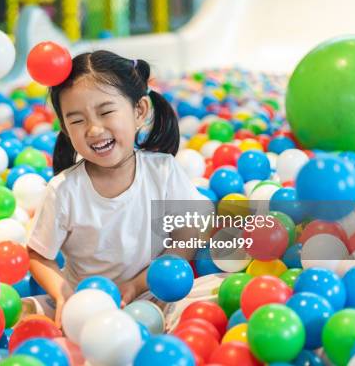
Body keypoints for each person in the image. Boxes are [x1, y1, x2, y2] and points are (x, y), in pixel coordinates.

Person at [26, 50, 224, 329]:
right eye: (77, 120)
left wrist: (137, 284)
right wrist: (62, 294)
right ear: (66, 129)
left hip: (154, 295)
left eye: (106, 112)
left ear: (139, 111)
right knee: (22, 312)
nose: (94, 130)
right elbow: (38, 255)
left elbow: (189, 231)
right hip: (86, 306)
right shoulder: (64, 191)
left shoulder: (162, 171)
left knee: (220, 292)